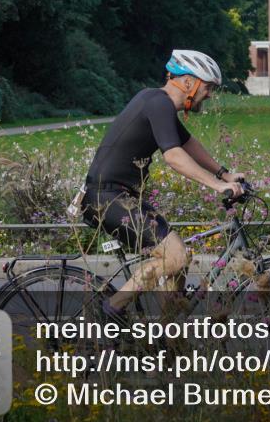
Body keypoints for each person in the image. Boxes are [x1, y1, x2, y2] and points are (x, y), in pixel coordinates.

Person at [81, 49, 246, 319]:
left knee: (180, 261)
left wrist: (224, 174)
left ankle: (170, 339)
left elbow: (187, 143)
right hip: (106, 198)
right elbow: (174, 156)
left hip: (121, 197)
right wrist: (217, 186)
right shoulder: (158, 103)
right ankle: (112, 309)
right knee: (176, 257)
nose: (210, 94)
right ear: (189, 82)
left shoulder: (158, 103)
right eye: (208, 87)